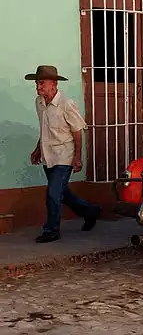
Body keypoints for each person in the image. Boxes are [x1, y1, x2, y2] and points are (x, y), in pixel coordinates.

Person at [26, 65, 101, 243]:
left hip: (64, 156)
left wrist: (77, 157)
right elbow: (45, 129)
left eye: (41, 83)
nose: (38, 87)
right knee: (62, 193)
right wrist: (38, 149)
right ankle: (90, 211)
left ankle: (51, 230)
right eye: (37, 83)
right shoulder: (39, 102)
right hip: (48, 155)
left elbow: (77, 131)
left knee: (53, 194)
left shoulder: (66, 104)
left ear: (54, 84)